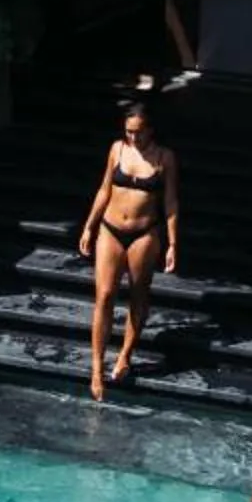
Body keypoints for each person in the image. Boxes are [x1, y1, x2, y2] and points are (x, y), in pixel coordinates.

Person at [77, 96, 180, 397]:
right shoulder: (117, 149)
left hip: (144, 232)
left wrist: (173, 243)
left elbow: (171, 202)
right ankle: (96, 369)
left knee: (138, 294)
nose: (133, 137)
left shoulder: (165, 157)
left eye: (138, 131)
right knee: (105, 294)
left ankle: (125, 356)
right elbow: (104, 189)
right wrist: (89, 225)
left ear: (151, 130)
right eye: (129, 131)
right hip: (111, 229)